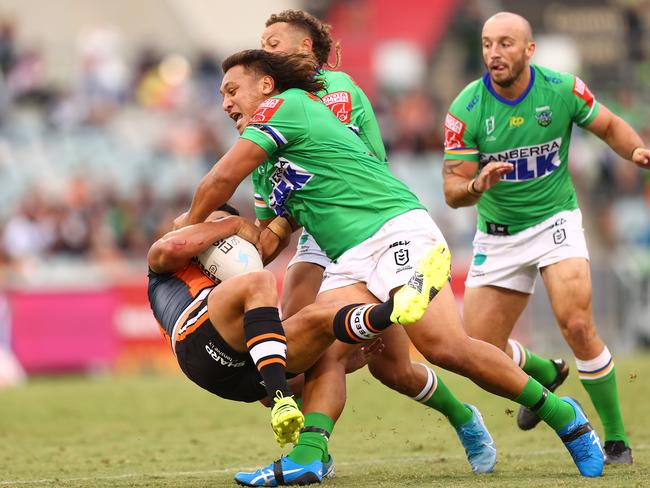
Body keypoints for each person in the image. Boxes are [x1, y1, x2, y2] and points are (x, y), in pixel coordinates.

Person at [178, 49, 605, 482]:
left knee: (444, 348)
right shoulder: (265, 168)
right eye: (221, 95)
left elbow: (218, 180)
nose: (226, 103)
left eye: (232, 90)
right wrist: (231, 230)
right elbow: (269, 242)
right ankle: (308, 455)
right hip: (348, 257)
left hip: (393, 231)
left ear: (265, 86)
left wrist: (184, 231)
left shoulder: (284, 107)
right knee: (327, 348)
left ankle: (564, 415)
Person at [257, 8, 495, 476]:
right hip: (317, 240)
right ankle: (313, 450)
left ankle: (464, 416)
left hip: (368, 229)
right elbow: (277, 207)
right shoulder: (267, 116)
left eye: (273, 43)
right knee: (288, 360)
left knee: (395, 367)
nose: (265, 51)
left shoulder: (337, 90)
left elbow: (352, 166)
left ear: (305, 47)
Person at [442, 11, 649, 466]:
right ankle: (545, 372)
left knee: (576, 323)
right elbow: (452, 191)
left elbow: (611, 126)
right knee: (479, 349)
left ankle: (615, 440)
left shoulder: (561, 89)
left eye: (505, 44)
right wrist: (477, 185)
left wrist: (634, 149)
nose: (494, 53)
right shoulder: (467, 108)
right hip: (497, 235)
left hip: (556, 221)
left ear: (529, 50)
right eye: (487, 44)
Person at [148, 204, 450, 466]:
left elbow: (266, 386)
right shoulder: (164, 265)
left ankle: (393, 310)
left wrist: (345, 364)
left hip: (241, 380)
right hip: (196, 341)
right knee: (260, 281)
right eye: (208, 228)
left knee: (318, 317)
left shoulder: (232, 292)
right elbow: (173, 246)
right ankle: (285, 401)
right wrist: (231, 224)